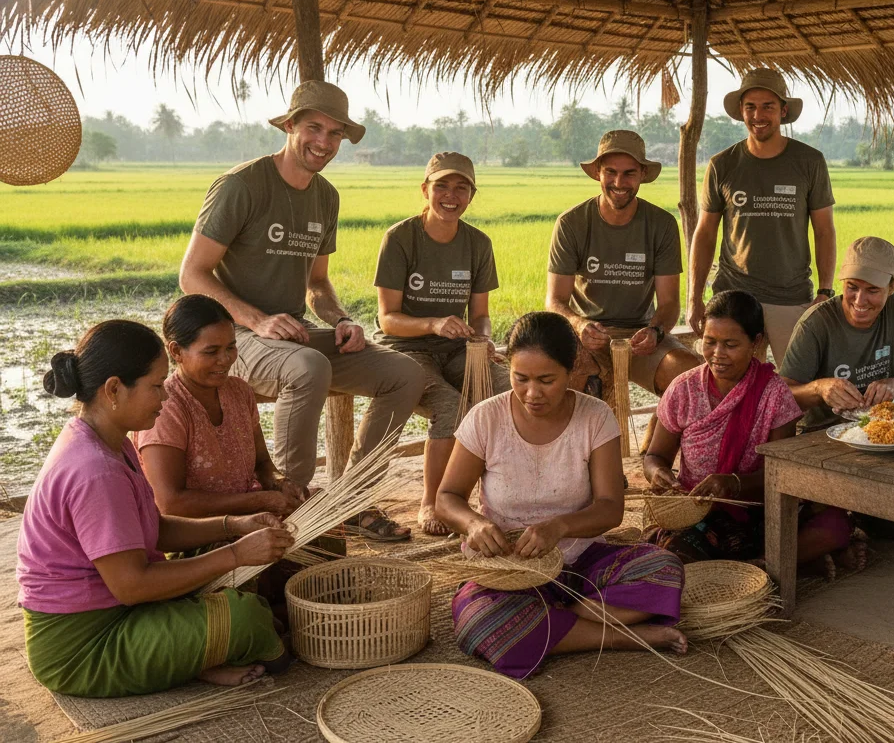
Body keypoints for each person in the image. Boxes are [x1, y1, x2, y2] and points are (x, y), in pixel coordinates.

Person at [178, 80, 422, 541]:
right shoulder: (241, 186)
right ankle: (292, 504)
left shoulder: (325, 197)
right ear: (289, 126)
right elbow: (192, 275)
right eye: (314, 128)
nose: (323, 142)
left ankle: (352, 498)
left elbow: (317, 284)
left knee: (405, 374)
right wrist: (257, 320)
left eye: (335, 133)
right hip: (235, 337)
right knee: (307, 366)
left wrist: (341, 319)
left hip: (292, 336)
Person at [17, 320, 294, 698]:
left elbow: (153, 528)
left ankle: (192, 656)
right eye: (156, 385)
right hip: (84, 646)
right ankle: (198, 655)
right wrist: (236, 554)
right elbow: (133, 585)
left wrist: (235, 526)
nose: (165, 396)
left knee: (230, 575)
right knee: (249, 621)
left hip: (121, 608)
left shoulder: (108, 439)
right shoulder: (95, 471)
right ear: (114, 389)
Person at [438, 312, 686, 678]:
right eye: (520, 378)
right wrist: (473, 524)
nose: (532, 393)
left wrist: (559, 527)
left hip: (580, 565)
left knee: (665, 569)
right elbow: (447, 497)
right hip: (507, 572)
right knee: (480, 620)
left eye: (546, 380)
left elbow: (610, 508)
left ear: (571, 372)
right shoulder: (485, 418)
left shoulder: (595, 417)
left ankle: (550, 624)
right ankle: (622, 636)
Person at [642, 290, 856, 572]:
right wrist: (659, 474)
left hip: (759, 512)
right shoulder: (684, 390)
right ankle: (773, 565)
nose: (717, 354)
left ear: (756, 342)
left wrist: (734, 483)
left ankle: (753, 567)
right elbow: (655, 457)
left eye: (730, 344)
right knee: (674, 554)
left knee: (834, 525)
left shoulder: (774, 393)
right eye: (710, 342)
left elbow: (779, 474)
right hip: (697, 514)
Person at [373, 152, 510, 536]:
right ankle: (432, 502)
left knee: (506, 391)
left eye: (461, 188)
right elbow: (387, 318)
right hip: (405, 349)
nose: (451, 196)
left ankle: (499, 495)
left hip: (456, 348)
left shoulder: (478, 243)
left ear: (471, 195)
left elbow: (480, 314)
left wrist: (483, 338)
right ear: (425, 190)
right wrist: (432, 323)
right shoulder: (401, 238)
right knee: (450, 406)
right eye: (442, 186)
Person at [687, 68, 837, 362]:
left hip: (791, 296)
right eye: (750, 107)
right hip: (733, 296)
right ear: (741, 111)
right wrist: (694, 298)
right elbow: (704, 233)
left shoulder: (809, 161)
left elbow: (824, 230)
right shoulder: (722, 164)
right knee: (731, 379)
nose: (758, 115)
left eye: (768, 106)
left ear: (783, 110)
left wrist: (825, 291)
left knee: (797, 380)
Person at [546, 130, 700, 397]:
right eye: (610, 172)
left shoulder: (661, 224)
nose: (619, 182)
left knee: (690, 377)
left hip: (639, 337)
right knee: (571, 383)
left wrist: (655, 331)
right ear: (598, 172)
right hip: (586, 336)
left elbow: (669, 303)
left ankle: (658, 426)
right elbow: (555, 301)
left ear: (642, 174)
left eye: (629, 173)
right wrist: (579, 325)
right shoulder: (571, 223)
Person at [138, 294, 308, 518]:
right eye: (211, 352)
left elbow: (262, 463)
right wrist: (259, 501)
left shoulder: (239, 391)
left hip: (247, 520)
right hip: (196, 533)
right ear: (176, 351)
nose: (225, 359)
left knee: (321, 505)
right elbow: (170, 504)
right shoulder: (166, 408)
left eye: (231, 347)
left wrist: (281, 483)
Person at [780, 237, 894, 433]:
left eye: (872, 290)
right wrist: (819, 389)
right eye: (852, 287)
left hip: (879, 428)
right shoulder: (815, 323)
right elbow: (782, 396)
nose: (860, 300)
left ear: (892, 286)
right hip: (821, 432)